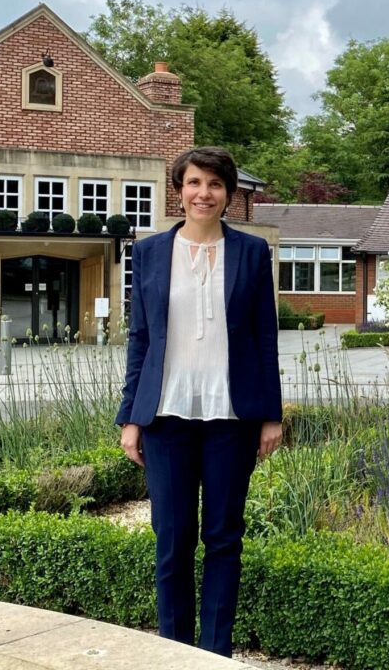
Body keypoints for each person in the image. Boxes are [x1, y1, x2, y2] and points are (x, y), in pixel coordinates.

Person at [117, 146, 283, 657]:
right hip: (165, 416)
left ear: (228, 194)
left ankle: (214, 655)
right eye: (194, 183)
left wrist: (271, 414)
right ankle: (175, 653)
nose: (203, 193)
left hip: (232, 417)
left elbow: (264, 336)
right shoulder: (149, 252)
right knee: (172, 539)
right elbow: (140, 339)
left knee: (223, 537)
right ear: (179, 190)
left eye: (214, 184)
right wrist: (130, 417)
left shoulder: (252, 252)